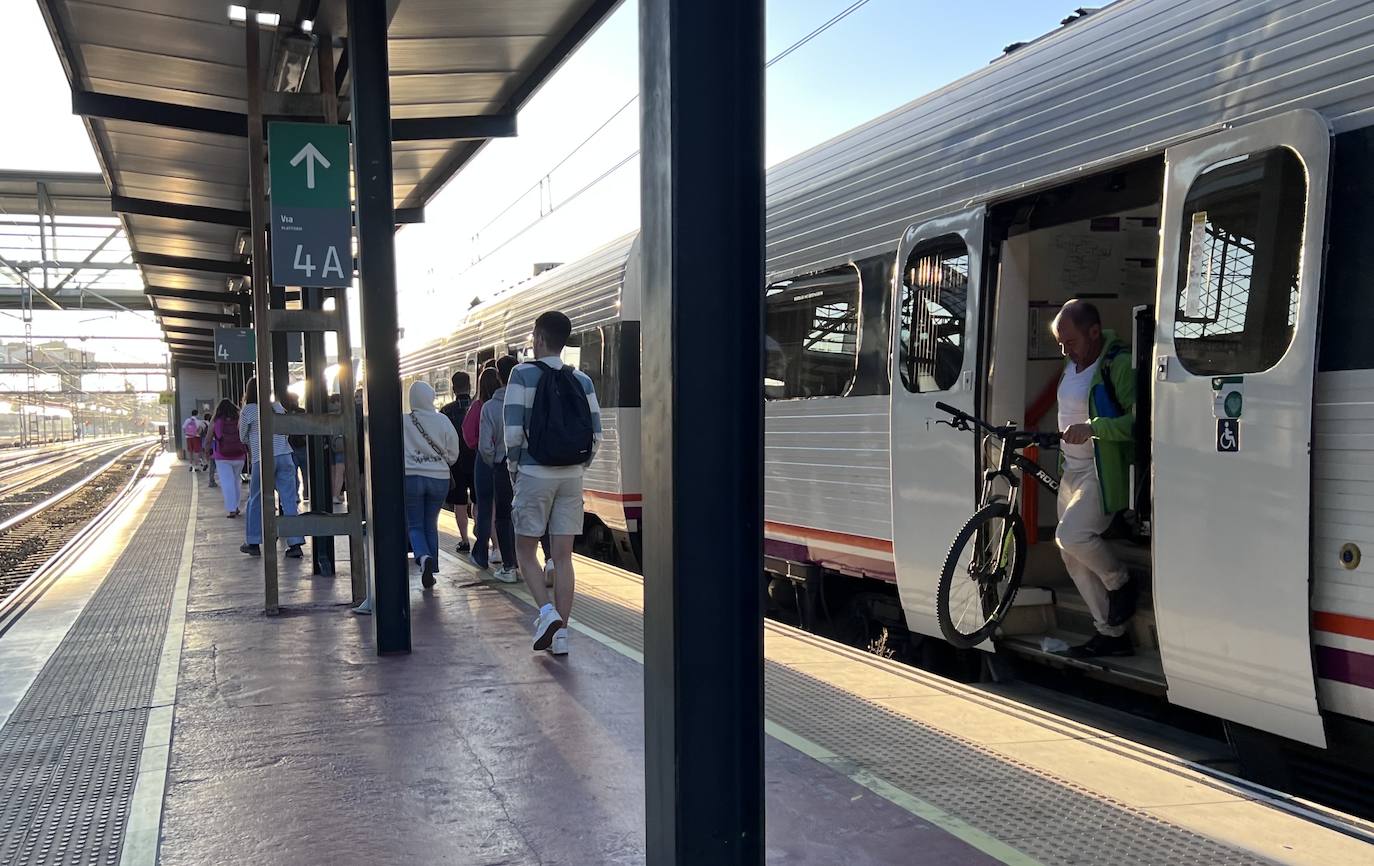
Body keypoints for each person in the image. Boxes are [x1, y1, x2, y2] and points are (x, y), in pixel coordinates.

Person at [505, 311, 601, 656]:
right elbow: (597, 434)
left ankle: (546, 613)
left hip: (534, 473)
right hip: (572, 475)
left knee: (524, 551)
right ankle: (562, 636)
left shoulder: (522, 374)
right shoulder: (582, 380)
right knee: (562, 557)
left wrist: (516, 470)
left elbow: (513, 432)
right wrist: (578, 466)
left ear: (539, 338)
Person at [1053, 299, 1138, 658]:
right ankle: (1111, 633)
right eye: (1060, 343)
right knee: (1070, 553)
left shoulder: (1117, 364)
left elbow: (1140, 422)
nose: (1065, 350)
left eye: (1069, 341)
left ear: (1093, 332)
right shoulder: (1072, 364)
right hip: (1070, 469)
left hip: (1101, 470)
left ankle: (1120, 582)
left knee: (1070, 535)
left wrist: (1093, 429)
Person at [239, 377, 306, 559]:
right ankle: (295, 544)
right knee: (289, 499)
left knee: (256, 499)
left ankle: (253, 542)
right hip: (285, 456)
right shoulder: (277, 407)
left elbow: (242, 436)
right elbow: (286, 429)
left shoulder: (249, 410)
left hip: (263, 458)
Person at [404, 380, 462, 588]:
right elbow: (454, 454)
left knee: (415, 524)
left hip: (410, 478)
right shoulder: (443, 420)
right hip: (439, 479)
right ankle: (433, 566)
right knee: (431, 522)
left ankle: (422, 557)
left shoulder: (403, 421)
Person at [439, 371, 476, 553]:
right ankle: (482, 537)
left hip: (456, 463)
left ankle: (464, 540)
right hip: (477, 461)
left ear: (453, 388)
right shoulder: (478, 407)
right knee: (478, 501)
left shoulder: (446, 411)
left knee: (460, 503)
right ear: (470, 386)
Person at [209, 399, 246, 517]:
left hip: (222, 456)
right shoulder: (239, 418)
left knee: (227, 482)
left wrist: (206, 450)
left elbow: (209, 437)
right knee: (236, 481)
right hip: (239, 454)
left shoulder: (217, 420)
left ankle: (232, 509)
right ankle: (236, 506)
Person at [281, 391, 309, 503]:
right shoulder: (303, 412)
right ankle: (307, 493)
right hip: (303, 445)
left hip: (290, 446)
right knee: (306, 472)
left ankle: (296, 494)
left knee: (292, 473)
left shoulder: (285, 413)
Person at [327, 393, 347, 504]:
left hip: (331, 444)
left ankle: (334, 494)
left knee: (334, 471)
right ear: (338, 402)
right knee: (340, 471)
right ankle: (336, 494)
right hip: (340, 445)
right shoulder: (341, 413)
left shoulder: (327, 413)